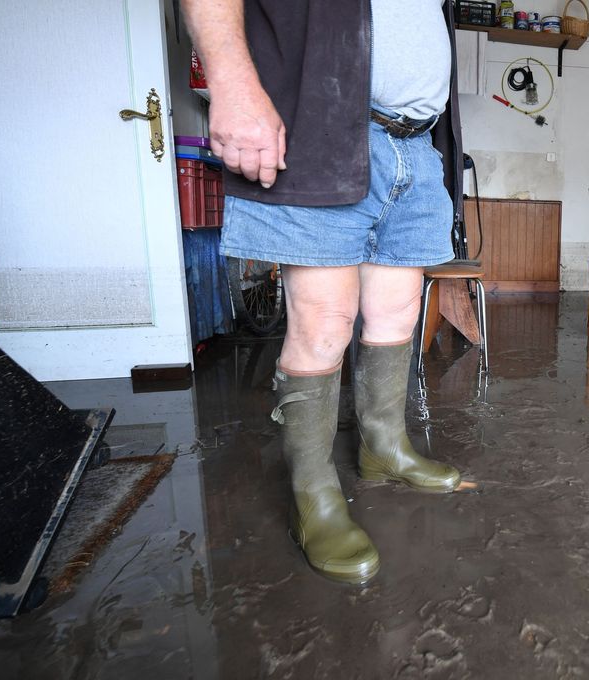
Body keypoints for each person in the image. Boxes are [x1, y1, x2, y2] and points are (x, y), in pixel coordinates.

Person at [183, 0, 465, 585]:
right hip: (322, 127)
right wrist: (232, 86)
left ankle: (384, 446)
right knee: (324, 324)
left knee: (397, 313)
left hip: (416, 146)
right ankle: (313, 493)